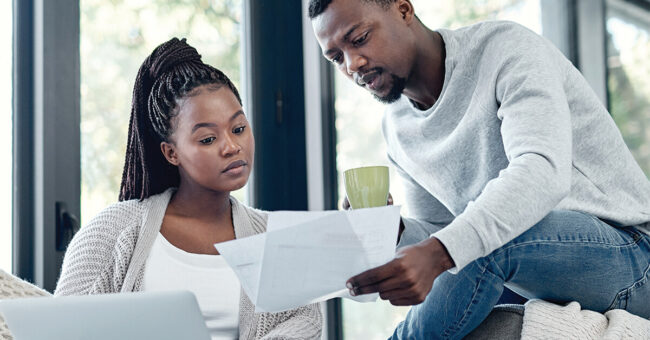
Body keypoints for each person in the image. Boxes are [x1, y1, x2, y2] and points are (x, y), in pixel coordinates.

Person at [309, 0, 650, 338]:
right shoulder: (397, 125)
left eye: (360, 39)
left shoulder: (505, 49)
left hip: (632, 254)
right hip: (533, 274)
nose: (353, 64)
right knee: (471, 243)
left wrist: (440, 251)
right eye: (337, 58)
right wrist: (398, 231)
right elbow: (444, 228)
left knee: (482, 242)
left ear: (403, 9)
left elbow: (542, 168)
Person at [55, 38, 322, 340]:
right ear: (172, 153)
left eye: (238, 129)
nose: (232, 147)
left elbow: (306, 320)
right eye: (208, 139)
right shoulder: (112, 230)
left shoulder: (273, 237)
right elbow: (63, 328)